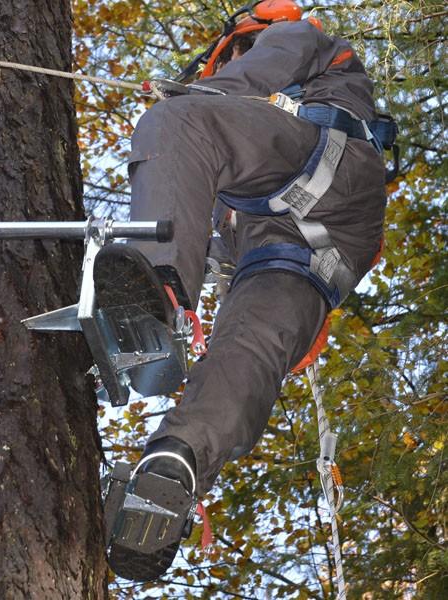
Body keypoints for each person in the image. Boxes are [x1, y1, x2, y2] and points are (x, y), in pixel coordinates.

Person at [99, 0, 393, 581]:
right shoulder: (247, 152)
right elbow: (201, 230)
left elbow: (259, 71)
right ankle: (176, 464)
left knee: (177, 124)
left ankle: (156, 301)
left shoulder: (296, 39)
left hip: (326, 172)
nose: (241, 61)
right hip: (309, 245)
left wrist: (196, 97)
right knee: (248, 346)